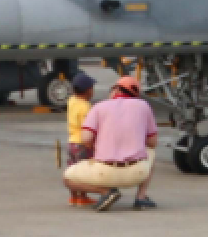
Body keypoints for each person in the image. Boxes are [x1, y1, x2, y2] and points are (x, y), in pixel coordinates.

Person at [66, 72, 158, 211]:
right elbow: (152, 142)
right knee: (151, 151)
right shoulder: (144, 106)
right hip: (136, 174)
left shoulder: (98, 107)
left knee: (67, 178)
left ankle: (105, 192)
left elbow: (86, 138)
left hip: (104, 174)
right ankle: (141, 197)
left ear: (116, 90)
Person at [64, 71, 97, 207]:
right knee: (84, 171)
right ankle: (83, 197)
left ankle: (73, 197)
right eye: (92, 88)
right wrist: (92, 144)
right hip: (82, 143)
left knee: (72, 170)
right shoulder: (85, 107)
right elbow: (87, 127)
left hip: (71, 142)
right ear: (88, 90)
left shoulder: (71, 101)